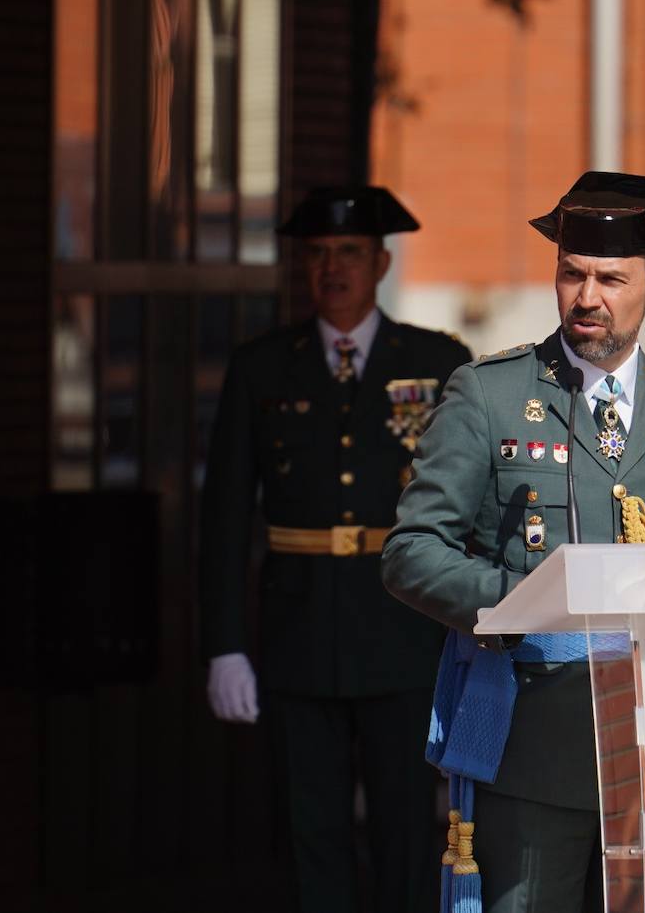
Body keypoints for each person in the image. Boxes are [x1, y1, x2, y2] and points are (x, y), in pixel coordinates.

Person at [381, 171, 645, 913]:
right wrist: (525, 602)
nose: (587, 297)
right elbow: (412, 551)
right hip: (539, 743)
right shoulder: (490, 394)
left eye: (611, 279)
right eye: (572, 274)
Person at [199, 186, 472, 913]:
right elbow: (224, 516)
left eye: (348, 252)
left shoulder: (439, 361)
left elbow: (472, 504)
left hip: (404, 630)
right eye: (317, 254)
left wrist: (475, 621)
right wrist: (225, 644)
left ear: (380, 261)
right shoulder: (262, 367)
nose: (332, 268)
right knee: (308, 828)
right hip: (299, 632)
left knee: (407, 827)